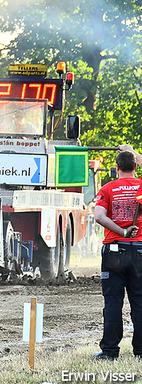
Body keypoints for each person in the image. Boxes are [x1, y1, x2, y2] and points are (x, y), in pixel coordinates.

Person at [93, 149, 142, 360]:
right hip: (139, 250)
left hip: (114, 249)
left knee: (113, 302)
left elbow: (99, 217)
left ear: (117, 168)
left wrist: (121, 231)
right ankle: (140, 351)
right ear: (136, 167)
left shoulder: (107, 189)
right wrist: (133, 151)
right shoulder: (141, 187)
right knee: (139, 302)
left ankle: (110, 351)